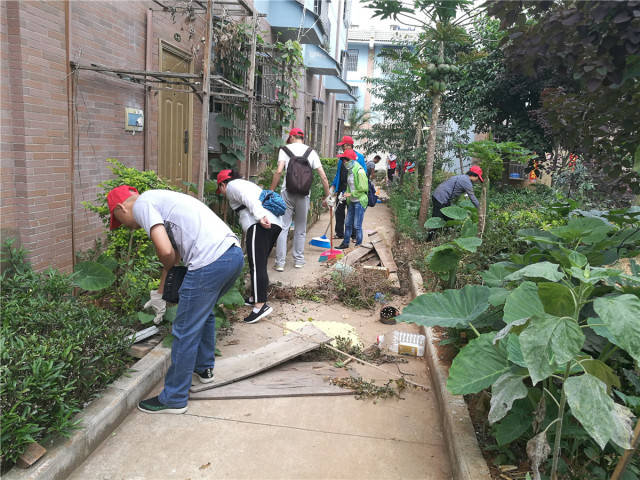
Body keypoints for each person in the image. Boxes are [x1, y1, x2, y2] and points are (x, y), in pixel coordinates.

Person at [107, 185, 243, 414]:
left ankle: (174, 398)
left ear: (121, 207)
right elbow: (174, 255)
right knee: (205, 312)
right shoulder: (162, 200)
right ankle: (204, 369)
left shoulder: (142, 205)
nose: (127, 227)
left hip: (208, 262)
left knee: (184, 329)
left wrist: (167, 269)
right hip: (232, 255)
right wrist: (159, 294)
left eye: (119, 220)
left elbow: (165, 252)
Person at [216, 169, 282, 324]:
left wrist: (259, 217)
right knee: (259, 263)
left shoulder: (233, 186)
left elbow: (250, 199)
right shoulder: (245, 184)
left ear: (223, 184)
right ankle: (254, 298)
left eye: (220, 189)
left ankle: (260, 306)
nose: (222, 193)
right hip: (274, 223)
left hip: (260, 224)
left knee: (257, 265)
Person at [271, 128, 330, 271]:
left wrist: (271, 190)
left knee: (283, 227)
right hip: (304, 194)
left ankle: (280, 263)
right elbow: (323, 175)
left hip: (287, 192)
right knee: (301, 229)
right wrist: (327, 194)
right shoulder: (311, 152)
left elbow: (279, 171)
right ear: (302, 138)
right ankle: (298, 260)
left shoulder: (284, 150)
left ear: (291, 137)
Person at [427, 166, 483, 240]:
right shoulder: (467, 182)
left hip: (441, 196)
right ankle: (429, 240)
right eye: (477, 178)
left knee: (449, 218)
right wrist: (480, 208)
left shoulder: (463, 177)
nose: (477, 180)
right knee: (436, 219)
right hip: (441, 197)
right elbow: (472, 198)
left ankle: (447, 237)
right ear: (473, 175)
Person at [332, 135, 367, 239]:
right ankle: (339, 233)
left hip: (353, 190)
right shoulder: (341, 158)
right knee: (339, 211)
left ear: (349, 145)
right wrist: (334, 187)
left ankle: (354, 235)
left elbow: (363, 173)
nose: (342, 147)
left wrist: (357, 190)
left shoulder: (359, 157)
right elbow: (338, 173)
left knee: (352, 213)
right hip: (343, 188)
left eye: (343, 145)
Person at [335, 149, 369, 249]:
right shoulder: (350, 171)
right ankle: (345, 243)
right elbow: (350, 186)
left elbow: (363, 188)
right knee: (348, 223)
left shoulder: (360, 171)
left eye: (344, 160)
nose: (343, 163)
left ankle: (358, 246)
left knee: (357, 225)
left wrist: (350, 194)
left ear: (350, 160)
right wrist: (344, 194)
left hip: (360, 201)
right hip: (352, 201)